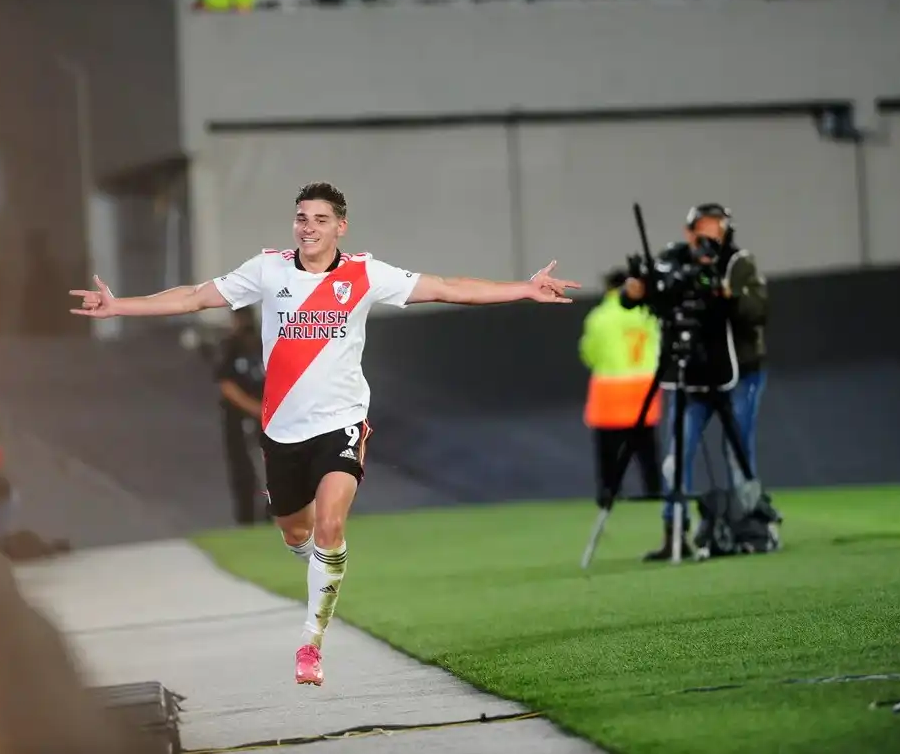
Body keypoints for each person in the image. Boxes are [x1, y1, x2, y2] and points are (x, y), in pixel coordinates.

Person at [70, 181, 580, 686]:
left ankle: (310, 643)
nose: (308, 227)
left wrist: (523, 288)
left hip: (342, 423)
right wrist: (119, 306)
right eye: (301, 218)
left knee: (331, 527)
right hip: (282, 431)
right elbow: (195, 297)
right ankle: (319, 565)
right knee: (297, 532)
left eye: (319, 219)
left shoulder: (365, 274)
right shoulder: (268, 269)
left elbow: (448, 287)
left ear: (341, 227)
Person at [622, 204, 768, 560]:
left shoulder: (738, 263)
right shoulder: (672, 260)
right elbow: (648, 295)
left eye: (715, 226)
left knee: (738, 452)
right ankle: (674, 533)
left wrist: (725, 293)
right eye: (702, 226)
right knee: (677, 454)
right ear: (688, 232)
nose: (708, 233)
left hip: (738, 371)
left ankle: (751, 527)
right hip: (689, 371)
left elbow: (757, 311)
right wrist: (635, 292)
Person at [580, 268, 662, 507]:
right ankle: (654, 491)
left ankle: (609, 494)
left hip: (611, 389)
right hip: (644, 387)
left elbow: (589, 353)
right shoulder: (647, 313)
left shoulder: (600, 316)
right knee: (646, 448)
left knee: (608, 449)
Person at [216, 306, 267, 526]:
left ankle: (272, 515)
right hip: (240, 420)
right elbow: (227, 385)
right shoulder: (231, 347)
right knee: (244, 471)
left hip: (268, 420)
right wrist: (255, 409)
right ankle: (248, 519)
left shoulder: (265, 343)